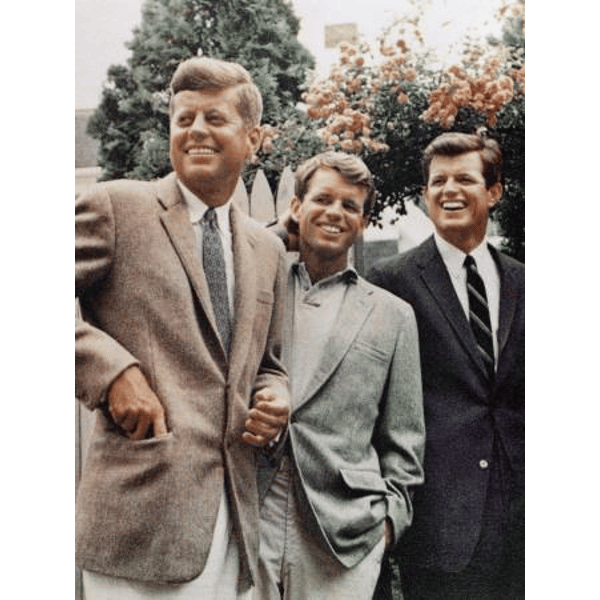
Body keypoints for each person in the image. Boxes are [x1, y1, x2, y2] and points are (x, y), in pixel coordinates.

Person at [75, 56, 291, 600]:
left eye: (215, 118)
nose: (196, 130)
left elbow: (268, 364)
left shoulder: (267, 249)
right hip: (139, 521)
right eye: (184, 118)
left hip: (233, 521)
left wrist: (275, 397)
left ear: (253, 138)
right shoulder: (116, 207)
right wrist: (112, 371)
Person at [255, 151, 425, 600]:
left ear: (363, 223)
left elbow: (405, 438)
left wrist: (388, 524)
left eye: (350, 206)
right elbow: (233, 253)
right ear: (295, 207)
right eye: (322, 199)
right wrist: (281, 232)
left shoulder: (393, 315)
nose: (335, 212)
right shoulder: (259, 288)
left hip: (344, 531)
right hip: (252, 511)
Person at [368, 131, 525, 599]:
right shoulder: (391, 281)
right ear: (425, 194)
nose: (449, 190)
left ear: (493, 192)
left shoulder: (525, 281)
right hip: (441, 522)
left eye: (464, 179)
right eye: (438, 181)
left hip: (524, 524)